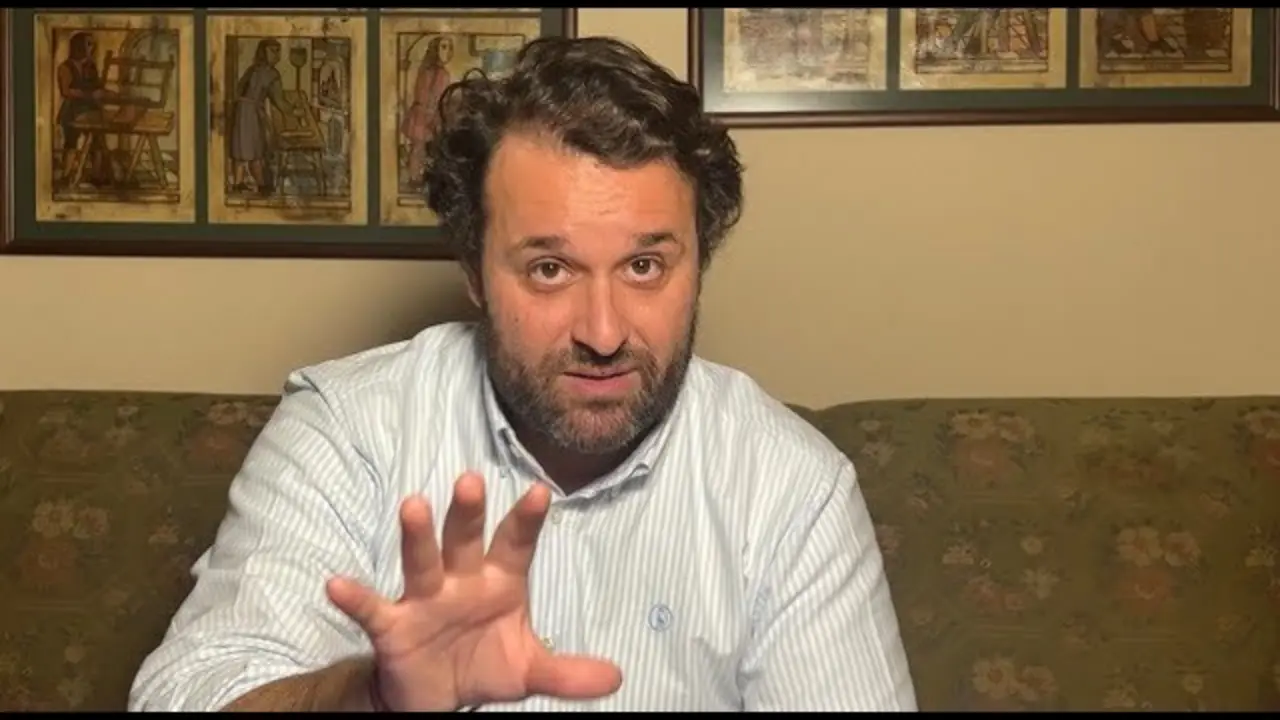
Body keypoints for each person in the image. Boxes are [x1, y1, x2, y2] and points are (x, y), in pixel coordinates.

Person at [128, 36, 916, 712]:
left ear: (699, 265)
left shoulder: (794, 488)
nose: (603, 333)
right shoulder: (348, 429)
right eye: (549, 268)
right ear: (474, 272)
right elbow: (194, 693)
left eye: (645, 266)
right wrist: (375, 696)